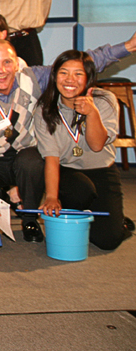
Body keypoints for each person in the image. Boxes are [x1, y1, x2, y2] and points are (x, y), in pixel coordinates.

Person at [0, 34, 136, 243]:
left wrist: (128, 46)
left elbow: (80, 65)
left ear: (16, 64)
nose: (1, 70)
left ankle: (29, 219)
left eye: (6, 63)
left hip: (28, 157)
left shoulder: (33, 78)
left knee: (30, 161)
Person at [35, 50, 132, 250]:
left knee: (108, 241)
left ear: (88, 77)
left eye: (78, 74)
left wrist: (92, 113)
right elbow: (51, 157)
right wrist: (51, 197)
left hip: (101, 170)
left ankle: (115, 220)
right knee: (81, 189)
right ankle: (80, 211)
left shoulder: (105, 100)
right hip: (68, 172)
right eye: (64, 73)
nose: (70, 79)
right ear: (55, 76)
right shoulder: (45, 108)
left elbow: (97, 145)